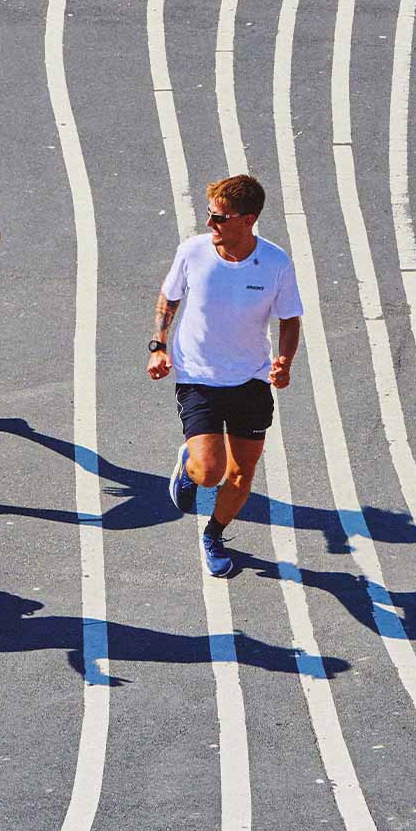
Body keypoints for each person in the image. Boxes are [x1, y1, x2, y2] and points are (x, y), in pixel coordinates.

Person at [148, 175, 303, 576]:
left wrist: (284, 360)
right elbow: (170, 295)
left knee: (240, 473)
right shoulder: (193, 252)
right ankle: (189, 465)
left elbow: (289, 319)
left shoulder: (275, 264)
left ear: (247, 220)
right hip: (197, 375)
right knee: (210, 471)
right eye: (209, 215)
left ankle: (213, 533)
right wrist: (158, 345)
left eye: (218, 217)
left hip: (250, 379)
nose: (209, 224)